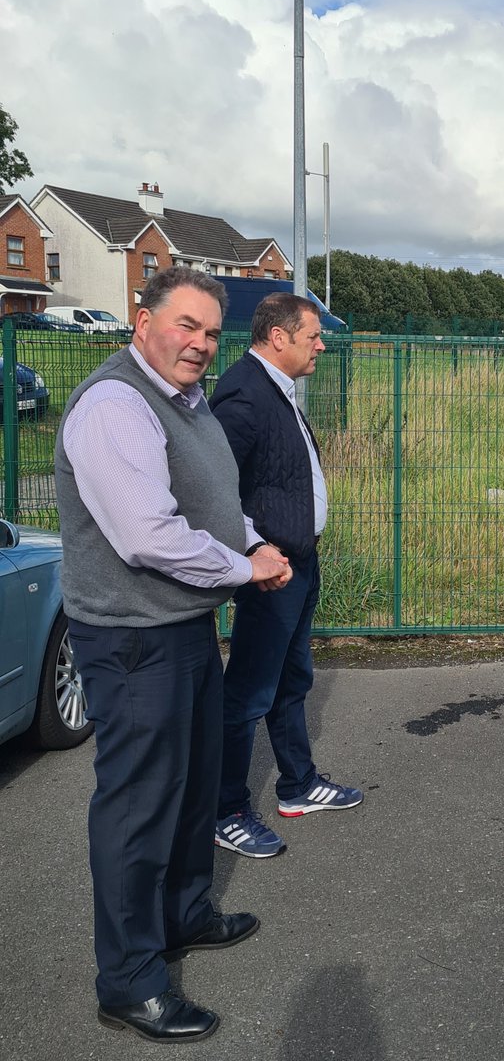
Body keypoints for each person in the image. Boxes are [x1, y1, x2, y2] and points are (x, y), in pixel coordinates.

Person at [54, 267, 293, 1042]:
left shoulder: (185, 402)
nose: (197, 343)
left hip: (182, 627)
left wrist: (253, 541)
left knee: (188, 789)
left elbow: (213, 504)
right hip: (131, 639)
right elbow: (148, 535)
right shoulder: (116, 404)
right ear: (143, 319)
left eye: (209, 332)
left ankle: (184, 914)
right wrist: (242, 569)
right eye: (184, 325)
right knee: (136, 808)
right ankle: (128, 980)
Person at [210, 292, 362, 861]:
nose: (322, 344)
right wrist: (255, 551)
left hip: (300, 561)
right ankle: (225, 810)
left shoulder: (278, 388)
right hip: (270, 570)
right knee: (247, 691)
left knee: (292, 677)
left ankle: (297, 785)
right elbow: (215, 491)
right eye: (312, 335)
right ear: (278, 337)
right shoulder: (243, 393)